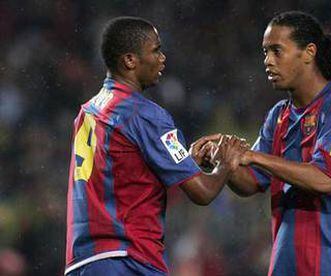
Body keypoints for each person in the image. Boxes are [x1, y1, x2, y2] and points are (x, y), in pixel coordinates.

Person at [194, 11, 331, 275]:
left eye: (277, 51)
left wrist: (252, 156)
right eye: (265, 52)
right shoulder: (279, 115)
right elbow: (250, 182)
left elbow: (325, 180)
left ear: (308, 52)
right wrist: (223, 160)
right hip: (289, 263)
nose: (268, 61)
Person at [65, 16, 245, 276]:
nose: (162, 58)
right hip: (128, 260)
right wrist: (227, 162)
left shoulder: (88, 111)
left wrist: (184, 161)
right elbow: (203, 192)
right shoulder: (144, 114)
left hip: (83, 261)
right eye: (156, 50)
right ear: (130, 60)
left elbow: (126, 174)